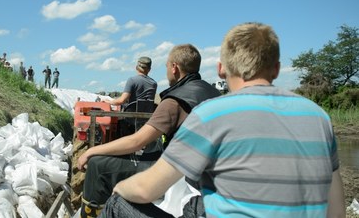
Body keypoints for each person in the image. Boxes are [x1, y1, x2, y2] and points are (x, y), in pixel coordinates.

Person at [104, 23, 345, 218]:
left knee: (117, 203)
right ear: (277, 69)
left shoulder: (212, 114)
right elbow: (336, 212)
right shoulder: (319, 117)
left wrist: (119, 187)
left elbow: (147, 189)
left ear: (221, 69)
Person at [77, 48, 221, 218]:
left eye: (167, 66)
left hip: (178, 170)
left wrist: (91, 151)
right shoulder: (215, 94)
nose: (166, 71)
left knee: (97, 165)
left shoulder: (175, 101)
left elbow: (136, 142)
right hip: (202, 171)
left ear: (174, 67)